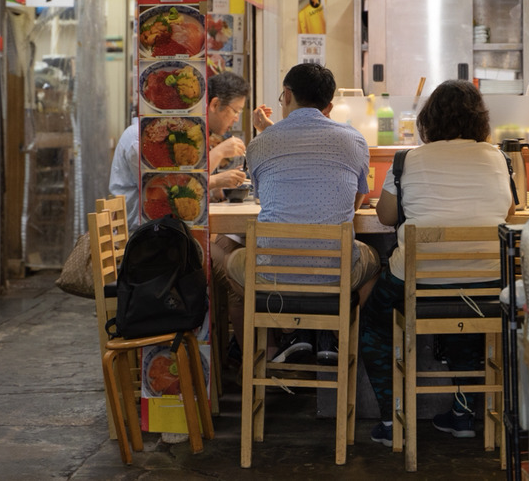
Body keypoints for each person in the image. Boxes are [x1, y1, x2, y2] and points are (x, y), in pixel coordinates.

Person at [359, 80, 515, 447]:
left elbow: (384, 216)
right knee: (468, 315)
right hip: (486, 281)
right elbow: (508, 210)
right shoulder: (498, 157)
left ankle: (390, 419)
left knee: (372, 325)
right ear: (480, 121)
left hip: (419, 279)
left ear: (429, 119)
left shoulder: (407, 160)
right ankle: (462, 415)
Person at [219, 63, 382, 362]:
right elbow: (357, 200)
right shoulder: (354, 139)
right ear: (329, 107)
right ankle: (338, 342)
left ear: (287, 94)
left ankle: (271, 351)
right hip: (336, 274)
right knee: (374, 264)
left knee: (231, 261)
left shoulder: (260, 142)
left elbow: (265, 193)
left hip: (274, 274)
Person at [108, 71, 272, 231]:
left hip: (174, 231)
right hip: (145, 237)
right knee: (234, 254)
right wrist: (218, 157)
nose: (236, 118)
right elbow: (171, 191)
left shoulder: (183, 135)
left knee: (234, 247)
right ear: (214, 105)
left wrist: (219, 187)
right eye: (235, 111)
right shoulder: (140, 139)